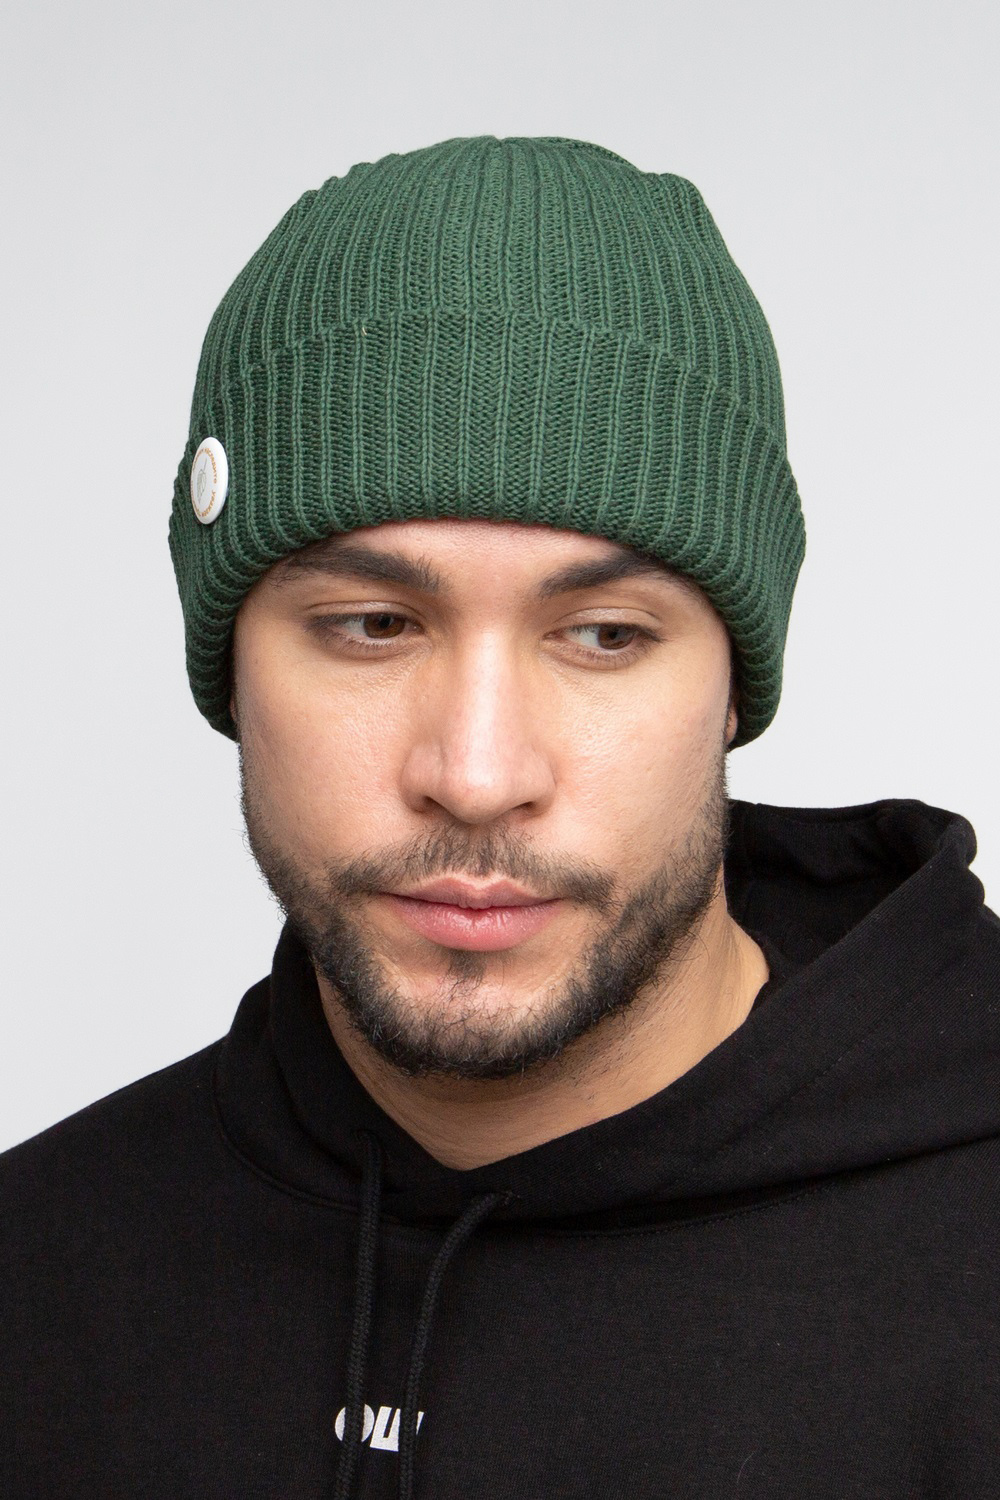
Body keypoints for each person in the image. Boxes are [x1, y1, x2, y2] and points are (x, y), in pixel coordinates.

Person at [1, 135, 997, 1500]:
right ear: (231, 669)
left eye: (603, 635)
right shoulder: (38, 1282)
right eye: (372, 625)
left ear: (733, 689)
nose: (475, 775)